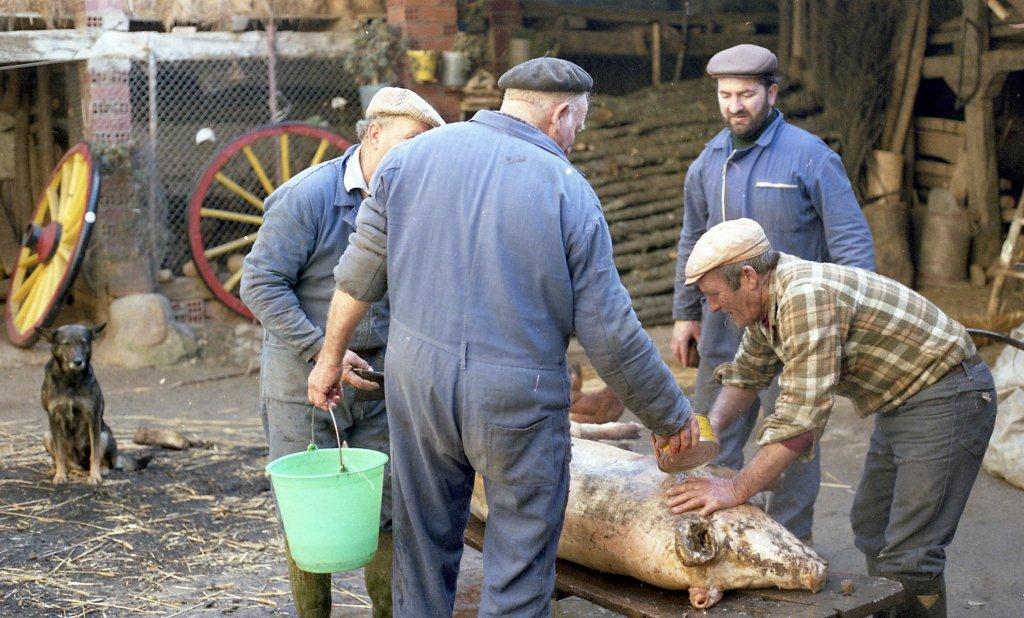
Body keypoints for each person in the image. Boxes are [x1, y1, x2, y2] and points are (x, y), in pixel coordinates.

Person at [307, 57, 697, 616]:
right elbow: (611, 335)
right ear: (561, 115)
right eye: (578, 126)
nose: (575, 140)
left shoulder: (409, 160)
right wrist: (670, 415)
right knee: (519, 564)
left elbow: (356, 277)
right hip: (517, 398)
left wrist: (328, 360)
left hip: (417, 383)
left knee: (422, 550)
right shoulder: (568, 191)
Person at [666, 218, 997, 617]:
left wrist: (734, 488)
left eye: (715, 294)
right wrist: (707, 429)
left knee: (911, 552)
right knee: (873, 525)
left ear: (749, 277)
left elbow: (800, 426)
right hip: (904, 400)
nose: (714, 306)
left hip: (949, 394)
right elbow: (747, 374)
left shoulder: (805, 298)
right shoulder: (767, 302)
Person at [239, 87, 444, 618]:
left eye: (426, 146)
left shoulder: (419, 203)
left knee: (389, 506)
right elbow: (259, 284)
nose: (416, 156)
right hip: (302, 378)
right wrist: (319, 350)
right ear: (373, 135)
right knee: (308, 512)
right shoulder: (307, 196)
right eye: (409, 140)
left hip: (379, 378)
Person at [669, 43, 875, 542]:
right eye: (725, 95)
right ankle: (714, 547)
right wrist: (685, 312)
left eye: (746, 94)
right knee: (711, 436)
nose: (734, 106)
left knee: (792, 444)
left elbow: (850, 241)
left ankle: (790, 546)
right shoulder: (708, 162)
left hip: (794, 330)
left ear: (772, 93)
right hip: (723, 329)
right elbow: (692, 240)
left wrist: (855, 324)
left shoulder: (810, 157)